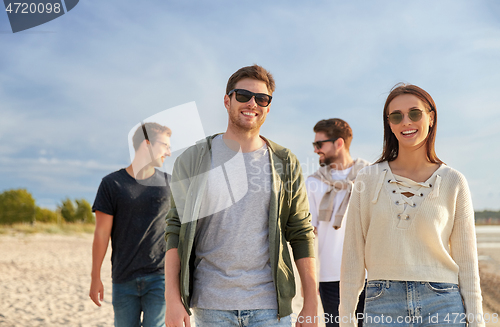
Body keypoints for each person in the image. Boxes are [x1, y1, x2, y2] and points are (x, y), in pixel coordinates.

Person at [164, 64, 318, 327]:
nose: (252, 104)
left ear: (268, 107)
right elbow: (175, 229)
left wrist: (312, 302)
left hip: (271, 308)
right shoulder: (193, 159)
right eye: (243, 95)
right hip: (211, 306)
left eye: (262, 98)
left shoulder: (285, 161)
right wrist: (172, 300)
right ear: (227, 100)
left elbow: (301, 233)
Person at [339, 84, 484, 327]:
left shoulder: (454, 181)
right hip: (381, 302)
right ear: (390, 124)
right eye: (397, 116)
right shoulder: (367, 178)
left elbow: (467, 262)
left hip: (443, 304)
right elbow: (353, 253)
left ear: (431, 117)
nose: (406, 121)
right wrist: (346, 317)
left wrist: (477, 322)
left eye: (414, 113)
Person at [90, 122, 172, 327]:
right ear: (147, 144)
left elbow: (182, 231)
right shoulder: (112, 184)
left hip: (160, 277)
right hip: (123, 278)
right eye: (165, 145)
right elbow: (101, 234)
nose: (169, 152)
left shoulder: (171, 184)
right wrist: (95, 277)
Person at [306, 119, 369, 327]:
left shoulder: (370, 176)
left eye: (320, 144)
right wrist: (310, 283)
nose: (316, 150)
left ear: (339, 143)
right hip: (330, 277)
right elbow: (308, 236)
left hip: (369, 276)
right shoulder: (313, 182)